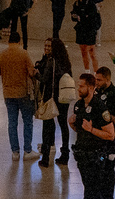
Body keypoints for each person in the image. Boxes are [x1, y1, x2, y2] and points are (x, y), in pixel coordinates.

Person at [70, 71, 115, 199]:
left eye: (81, 86)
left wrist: (92, 129)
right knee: (89, 188)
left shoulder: (100, 108)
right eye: (78, 86)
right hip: (82, 156)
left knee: (92, 193)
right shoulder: (78, 106)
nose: (78, 89)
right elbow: (80, 130)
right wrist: (72, 125)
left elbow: (111, 135)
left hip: (96, 158)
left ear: (91, 88)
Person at [0, 29, 38, 159]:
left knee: (12, 123)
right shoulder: (23, 54)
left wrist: (7, 72)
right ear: (19, 41)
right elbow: (31, 72)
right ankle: (28, 151)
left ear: (8, 41)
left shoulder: (1, 54)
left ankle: (15, 152)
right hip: (23, 93)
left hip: (8, 93)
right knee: (27, 121)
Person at [36, 37, 75, 167]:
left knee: (47, 125)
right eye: (45, 46)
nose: (46, 48)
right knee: (63, 124)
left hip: (51, 97)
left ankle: (46, 157)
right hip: (64, 97)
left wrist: (35, 73)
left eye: (49, 46)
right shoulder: (65, 61)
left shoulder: (51, 61)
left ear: (54, 48)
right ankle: (65, 155)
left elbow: (44, 79)